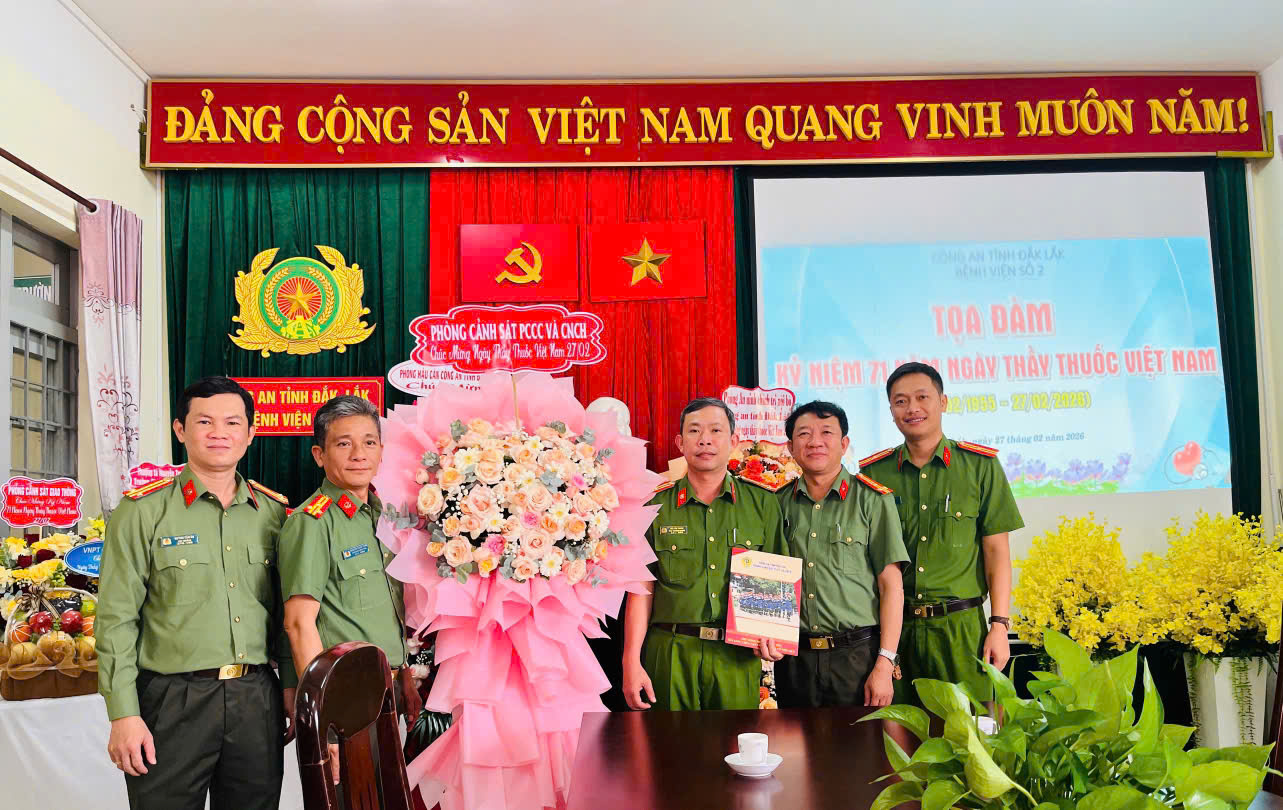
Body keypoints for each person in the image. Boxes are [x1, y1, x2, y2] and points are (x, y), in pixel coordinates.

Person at [98, 376, 293, 809]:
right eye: (204, 421)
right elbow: (115, 619)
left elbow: (287, 614)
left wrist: (291, 688)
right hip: (172, 701)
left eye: (232, 422)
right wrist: (123, 713)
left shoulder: (274, 513)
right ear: (180, 430)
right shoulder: (142, 511)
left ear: (251, 433)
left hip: (255, 698)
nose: (219, 432)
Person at [860, 362, 1024, 706]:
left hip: (961, 630)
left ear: (943, 402)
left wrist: (999, 625)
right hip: (894, 632)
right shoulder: (874, 473)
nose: (912, 408)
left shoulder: (980, 466)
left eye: (922, 397)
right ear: (891, 411)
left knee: (971, 729)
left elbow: (997, 553)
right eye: (901, 401)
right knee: (895, 732)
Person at [621, 397, 787, 711]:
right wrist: (631, 661)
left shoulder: (762, 504)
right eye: (695, 431)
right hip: (670, 651)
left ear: (734, 441)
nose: (705, 440)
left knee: (735, 741)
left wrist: (771, 634)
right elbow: (641, 589)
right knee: (668, 740)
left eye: (715, 430)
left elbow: (776, 580)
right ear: (680, 442)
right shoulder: (654, 505)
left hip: (735, 656)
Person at [278, 395, 421, 748]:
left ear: (381, 451)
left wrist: (403, 675)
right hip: (345, 694)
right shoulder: (312, 523)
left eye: (369, 442)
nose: (359, 454)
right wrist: (323, 713)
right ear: (319, 455)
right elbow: (298, 624)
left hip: (388, 690)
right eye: (344, 444)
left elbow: (387, 610)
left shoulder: (383, 516)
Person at [769, 400, 909, 708]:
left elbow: (891, 586)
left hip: (857, 657)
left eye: (826, 432)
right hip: (795, 660)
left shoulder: (872, 500)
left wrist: (885, 663)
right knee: (796, 741)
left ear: (844, 444)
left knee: (860, 740)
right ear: (791, 447)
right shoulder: (776, 505)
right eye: (804, 434)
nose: (815, 441)